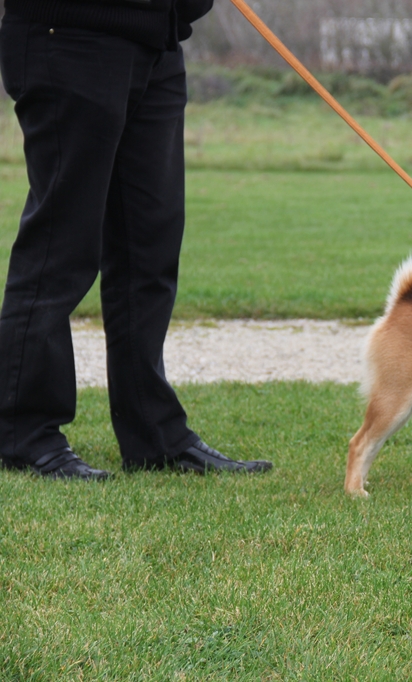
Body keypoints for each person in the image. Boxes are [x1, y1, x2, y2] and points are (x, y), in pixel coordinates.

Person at [0, 0, 272, 479]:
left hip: (156, 39)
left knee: (150, 251)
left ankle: (154, 435)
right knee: (61, 247)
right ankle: (24, 433)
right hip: (70, 32)